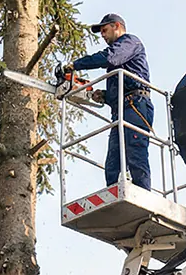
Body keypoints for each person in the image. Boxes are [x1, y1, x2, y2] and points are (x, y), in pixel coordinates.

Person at [66, 13, 154, 191]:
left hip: (136, 105)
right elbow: (121, 86)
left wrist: (76, 65)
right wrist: (104, 96)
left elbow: (109, 58)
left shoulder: (130, 42)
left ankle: (144, 194)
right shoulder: (119, 60)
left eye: (105, 30)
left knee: (135, 153)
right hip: (121, 107)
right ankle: (114, 196)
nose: (103, 36)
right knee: (113, 163)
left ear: (117, 26)